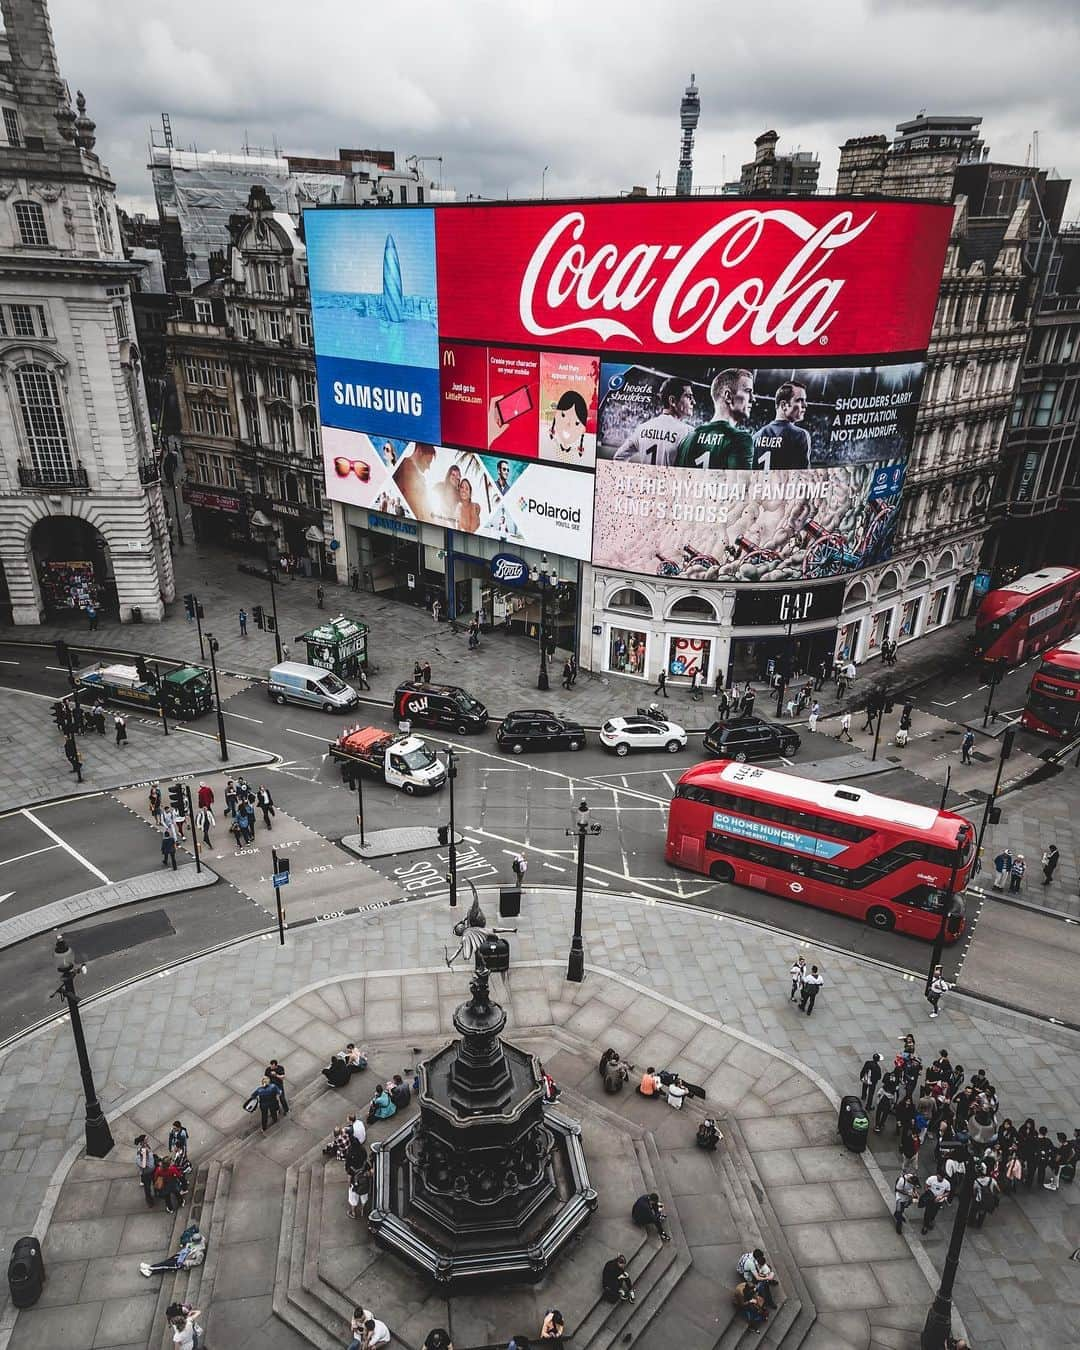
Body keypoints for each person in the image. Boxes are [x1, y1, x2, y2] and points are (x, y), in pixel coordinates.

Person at [675, 368, 754, 469]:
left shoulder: (687, 439)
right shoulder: (741, 439)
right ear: (728, 396)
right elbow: (741, 485)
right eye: (748, 391)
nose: (753, 398)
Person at [614, 376, 697, 464]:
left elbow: (618, 457)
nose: (693, 402)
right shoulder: (688, 432)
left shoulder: (642, 428)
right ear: (672, 401)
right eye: (689, 397)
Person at [752, 381, 811, 469]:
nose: (805, 405)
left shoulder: (756, 436)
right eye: (799, 400)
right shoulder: (800, 435)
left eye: (804, 401)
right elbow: (802, 477)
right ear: (784, 405)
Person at [138, 1224, 206, 1278]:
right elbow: (190, 1246)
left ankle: (151, 1270)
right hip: (181, 1255)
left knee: (165, 1265)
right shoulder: (198, 1241)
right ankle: (150, 1268)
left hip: (181, 1262)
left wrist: (186, 1263)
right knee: (166, 1262)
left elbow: (197, 1262)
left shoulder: (199, 1253)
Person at [919, 1166, 951, 1234]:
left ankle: (931, 1220)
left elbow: (948, 1192)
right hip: (930, 1199)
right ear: (937, 1175)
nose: (941, 1179)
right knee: (928, 1212)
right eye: (939, 1177)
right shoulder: (932, 1179)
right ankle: (925, 1225)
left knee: (934, 1212)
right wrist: (929, 1194)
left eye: (942, 1178)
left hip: (939, 1201)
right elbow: (926, 1186)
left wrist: (941, 1196)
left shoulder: (947, 1183)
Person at [893, 1169, 919, 1233]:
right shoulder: (902, 1181)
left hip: (907, 1198)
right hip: (900, 1198)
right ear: (910, 1180)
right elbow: (898, 1189)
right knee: (900, 1210)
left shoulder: (911, 1177)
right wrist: (907, 1193)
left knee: (903, 1208)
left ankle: (897, 1214)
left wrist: (915, 1192)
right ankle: (898, 1226)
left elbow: (913, 1187)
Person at [135, 1134, 157, 1207]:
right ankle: (149, 1201)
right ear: (142, 1142)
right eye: (146, 1140)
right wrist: (144, 1158)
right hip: (146, 1174)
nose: (147, 1140)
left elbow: (151, 1154)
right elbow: (141, 1164)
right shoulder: (139, 1153)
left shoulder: (147, 1146)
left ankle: (157, 1193)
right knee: (147, 1188)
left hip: (153, 1170)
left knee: (155, 1182)